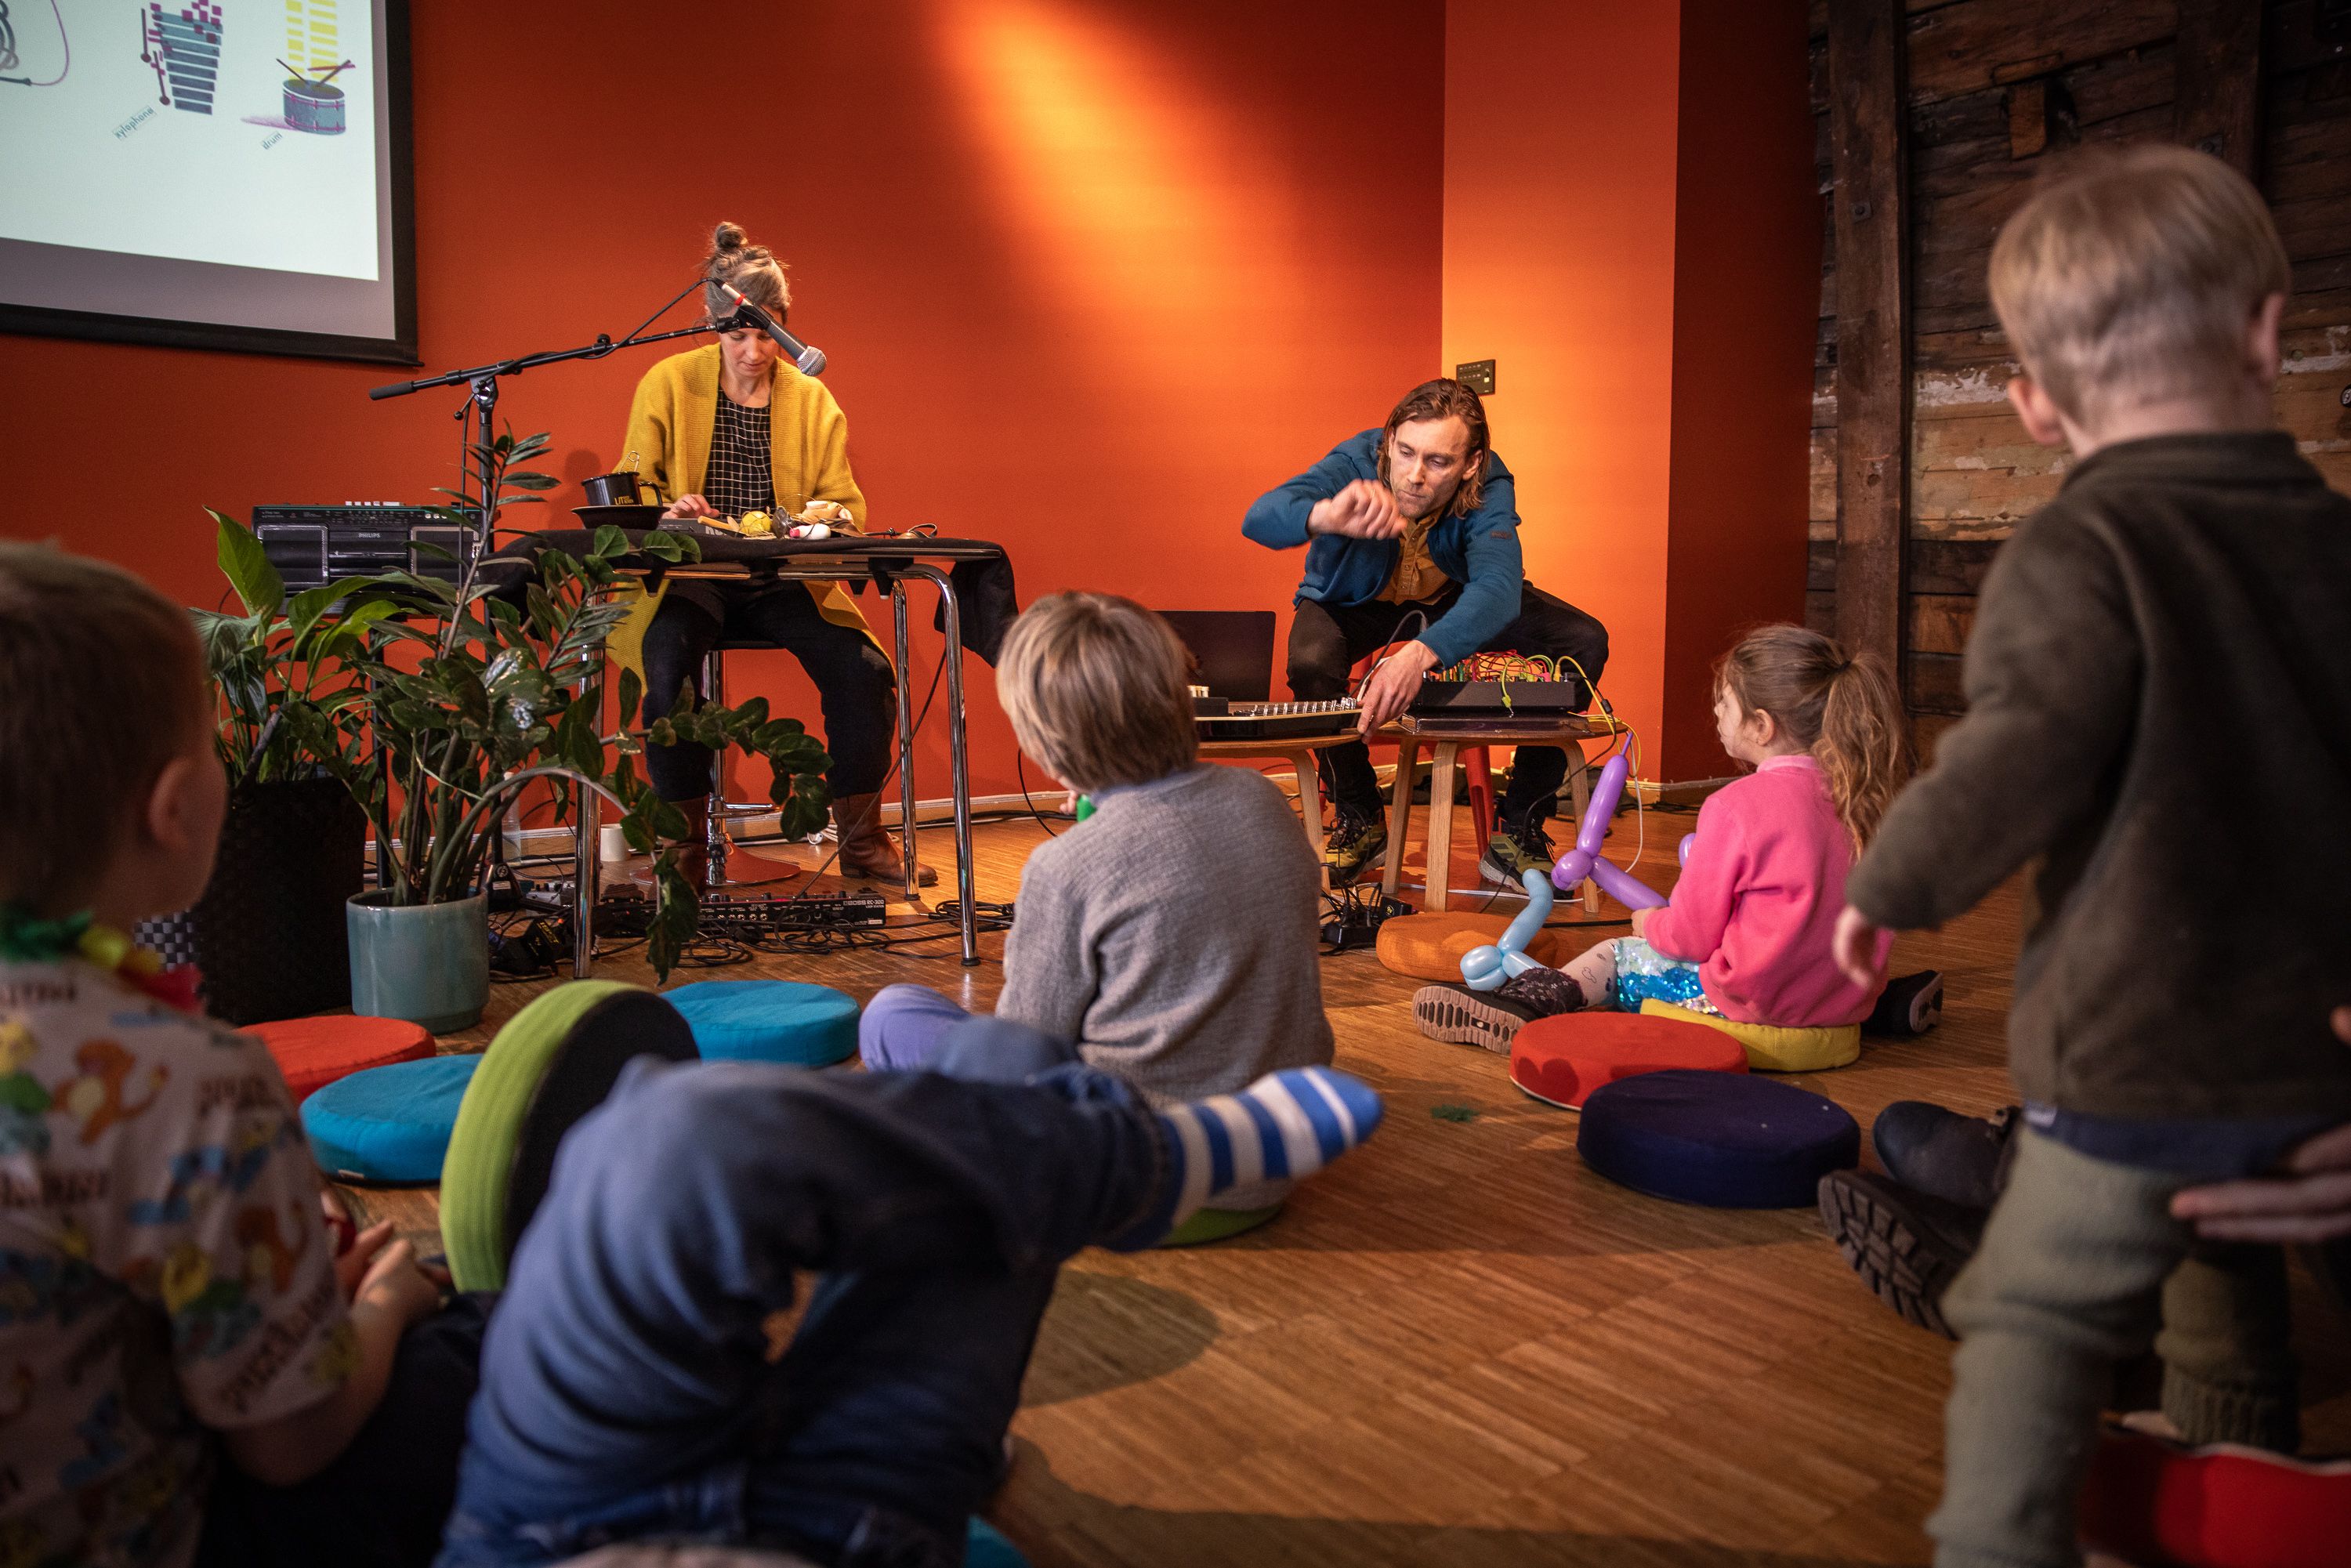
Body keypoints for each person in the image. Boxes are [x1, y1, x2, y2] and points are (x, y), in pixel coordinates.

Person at [1828, 146, 2351, 1568]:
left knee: (2031, 1314)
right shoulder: (2338, 547)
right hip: (2315, 1063)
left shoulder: (2078, 548)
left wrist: (1892, 884)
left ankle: (2001, 1544)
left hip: (2128, 1058)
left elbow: (2017, 755)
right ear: (2267, 334)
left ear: (2035, 403)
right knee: (2225, 1259)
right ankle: (2235, 1463)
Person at [436, 1028, 1384, 1567]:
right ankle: (1150, 1164)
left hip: (538, 1509)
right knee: (1013, 1060)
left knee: (674, 1146)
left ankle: (1150, 1164)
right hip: (843, 1535)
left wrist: (378, 1323)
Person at [0, 543, 449, 1566]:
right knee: (460, 1349)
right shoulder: (190, 1081)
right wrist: (387, 1303)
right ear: (173, 808)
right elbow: (292, 1441)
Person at [858, 594, 1334, 1205]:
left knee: (894, 1013)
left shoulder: (1066, 867)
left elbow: (1028, 1041)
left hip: (1142, 1174)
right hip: (1275, 1158)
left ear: (1045, 745)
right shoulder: (1264, 800)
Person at [1414, 625, 1906, 1054]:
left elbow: (1690, 939)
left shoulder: (1735, 807)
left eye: (1725, 702)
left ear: (1761, 726)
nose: (1716, 711)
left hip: (1751, 1003)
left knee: (1617, 954)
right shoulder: (1868, 798)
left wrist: (1651, 924)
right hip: (1844, 1002)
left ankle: (1522, 1005)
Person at [621, 223, 926, 887]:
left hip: (786, 576)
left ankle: (862, 839)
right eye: (738, 334)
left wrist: (823, 518)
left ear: (783, 324)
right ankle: (684, 849)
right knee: (667, 670)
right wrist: (668, 511)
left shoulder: (811, 397)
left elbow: (843, 501)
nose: (754, 351)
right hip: (693, 571)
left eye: (767, 334)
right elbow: (632, 490)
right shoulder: (667, 382)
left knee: (865, 671)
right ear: (712, 325)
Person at [1242, 378, 1610, 885]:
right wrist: (1324, 515)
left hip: (1447, 600)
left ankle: (1517, 829)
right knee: (1310, 664)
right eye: (1406, 453)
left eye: (1438, 462)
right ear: (1390, 438)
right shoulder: (1353, 461)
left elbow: (1499, 587)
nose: (1414, 476)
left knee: (1584, 640)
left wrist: (1420, 655)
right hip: (1351, 604)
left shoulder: (1490, 482)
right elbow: (1258, 518)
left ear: (1472, 464)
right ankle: (1359, 815)